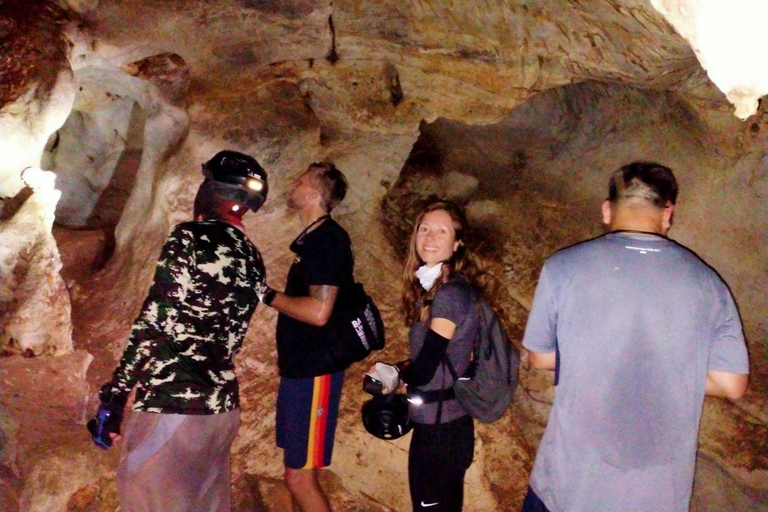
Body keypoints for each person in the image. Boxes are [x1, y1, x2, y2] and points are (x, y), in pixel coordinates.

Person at [521, 162, 750, 512]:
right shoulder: (708, 283)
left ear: (606, 209)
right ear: (668, 213)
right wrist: (665, 373)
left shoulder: (562, 267)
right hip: (657, 497)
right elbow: (732, 385)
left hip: (568, 488)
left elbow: (539, 357)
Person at [89, 150, 269, 512]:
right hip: (220, 415)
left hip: (172, 409)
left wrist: (114, 398)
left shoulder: (189, 239)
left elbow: (154, 322)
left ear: (210, 189)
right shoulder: (252, 257)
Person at [368, 201, 495, 512]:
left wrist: (394, 374)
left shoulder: (449, 295)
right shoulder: (438, 289)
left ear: (457, 243)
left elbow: (425, 369)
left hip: (442, 432)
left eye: (441, 231)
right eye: (424, 229)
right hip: (444, 424)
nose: (429, 237)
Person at [257, 162, 353, 512]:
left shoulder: (328, 240)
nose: (292, 184)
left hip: (315, 372)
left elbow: (319, 311)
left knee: (300, 478)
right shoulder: (313, 240)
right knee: (294, 474)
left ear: (314, 194)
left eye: (299, 180)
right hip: (301, 371)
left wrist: (265, 295)